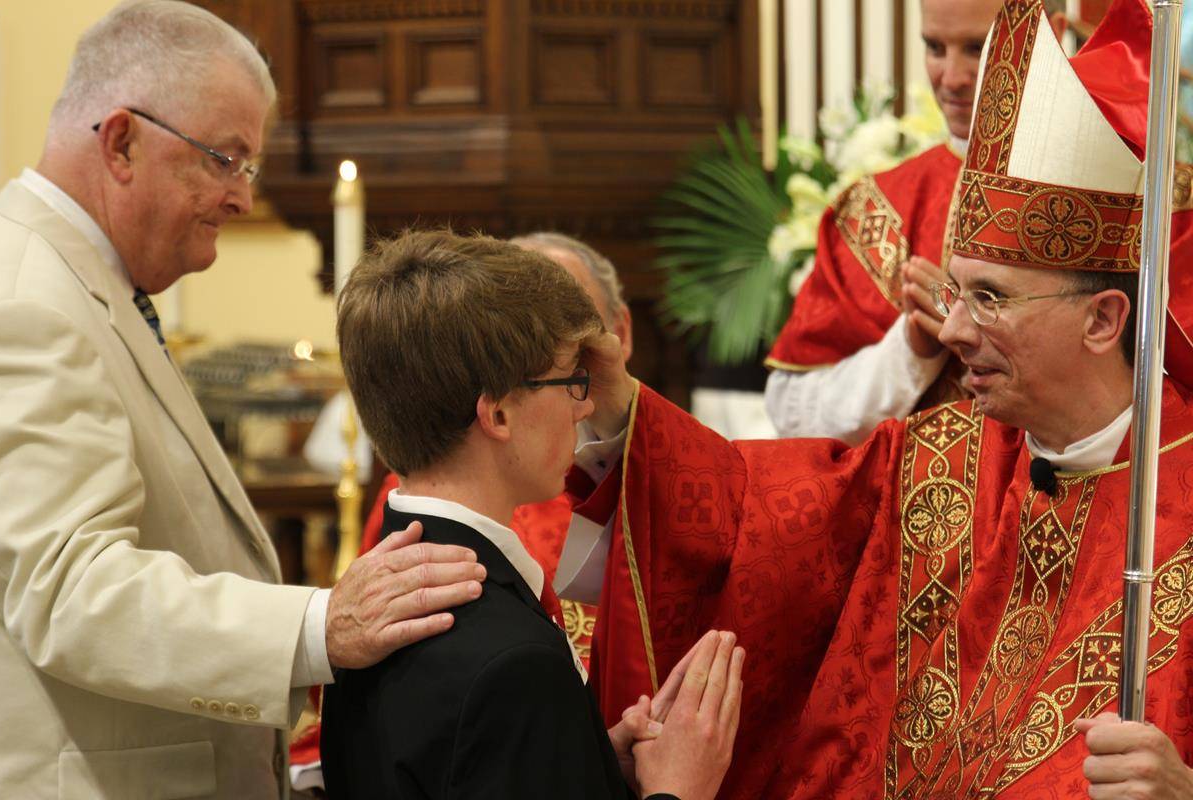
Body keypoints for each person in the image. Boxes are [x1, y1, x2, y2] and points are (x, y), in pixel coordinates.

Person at [571, 0, 1193, 796]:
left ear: (1105, 319)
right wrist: (619, 403)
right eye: (956, 292)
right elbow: (747, 512)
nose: (955, 327)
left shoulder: (1174, 496)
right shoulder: (934, 455)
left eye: (991, 299)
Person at [0, 3, 484, 797]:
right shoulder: (24, 303)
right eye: (225, 159)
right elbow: (70, 591)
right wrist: (317, 628)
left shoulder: (84, 287)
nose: (241, 198)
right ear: (122, 142)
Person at [323, 230, 744, 800]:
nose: (587, 404)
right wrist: (678, 791)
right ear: (497, 414)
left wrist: (590, 758)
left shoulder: (367, 605)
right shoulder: (514, 665)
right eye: (572, 380)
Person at [764, 0, 1068, 444]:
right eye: (934, 47)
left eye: (976, 47)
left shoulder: (1127, 198)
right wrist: (909, 351)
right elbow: (790, 410)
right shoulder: (876, 207)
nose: (952, 77)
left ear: (1053, 35)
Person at [358, 231, 630, 663]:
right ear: (498, 411)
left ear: (617, 335)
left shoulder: (663, 478)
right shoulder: (433, 493)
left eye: (578, 352)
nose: (583, 404)